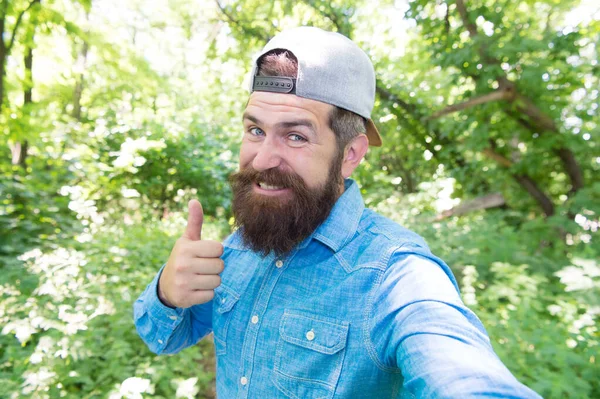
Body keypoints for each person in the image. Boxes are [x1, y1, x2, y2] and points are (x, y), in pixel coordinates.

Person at [134, 26, 542, 398]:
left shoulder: (395, 276)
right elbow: (162, 337)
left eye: (295, 136)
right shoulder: (241, 245)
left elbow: (464, 377)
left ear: (350, 154)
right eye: (255, 130)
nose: (261, 159)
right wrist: (167, 294)